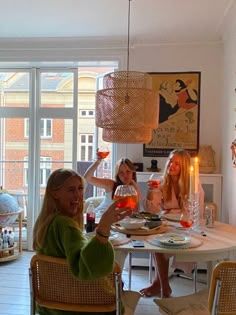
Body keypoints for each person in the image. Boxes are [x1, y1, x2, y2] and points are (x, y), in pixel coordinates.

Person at [33, 168, 132, 315]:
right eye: (71, 190)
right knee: (121, 288)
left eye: (80, 189)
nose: (78, 195)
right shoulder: (65, 225)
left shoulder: (45, 223)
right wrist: (104, 227)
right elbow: (85, 268)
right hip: (82, 307)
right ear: (55, 193)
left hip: (51, 306)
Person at [140, 149, 204, 298]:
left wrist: (172, 211)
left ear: (185, 167)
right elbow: (153, 211)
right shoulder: (162, 184)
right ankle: (164, 287)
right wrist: (151, 192)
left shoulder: (193, 185)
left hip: (187, 227)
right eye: (170, 161)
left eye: (177, 163)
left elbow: (195, 210)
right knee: (158, 243)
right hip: (167, 226)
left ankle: (158, 284)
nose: (171, 165)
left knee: (163, 242)